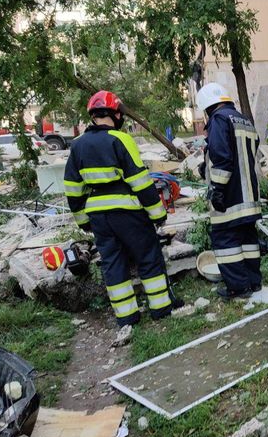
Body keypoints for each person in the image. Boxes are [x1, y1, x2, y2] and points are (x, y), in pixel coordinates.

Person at [63, 90, 183, 326]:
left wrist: (83, 220)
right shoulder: (120, 139)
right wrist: (157, 214)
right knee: (148, 256)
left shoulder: (77, 146)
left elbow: (72, 189)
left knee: (113, 263)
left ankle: (127, 316)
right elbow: (140, 181)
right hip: (127, 211)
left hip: (98, 216)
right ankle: (161, 308)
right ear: (116, 115)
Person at [197, 83, 263, 300]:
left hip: (230, 196)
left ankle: (238, 287)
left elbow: (223, 158)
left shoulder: (218, 119)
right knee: (248, 239)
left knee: (225, 241)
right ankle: (253, 282)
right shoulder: (244, 119)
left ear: (207, 107)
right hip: (249, 196)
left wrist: (217, 190)